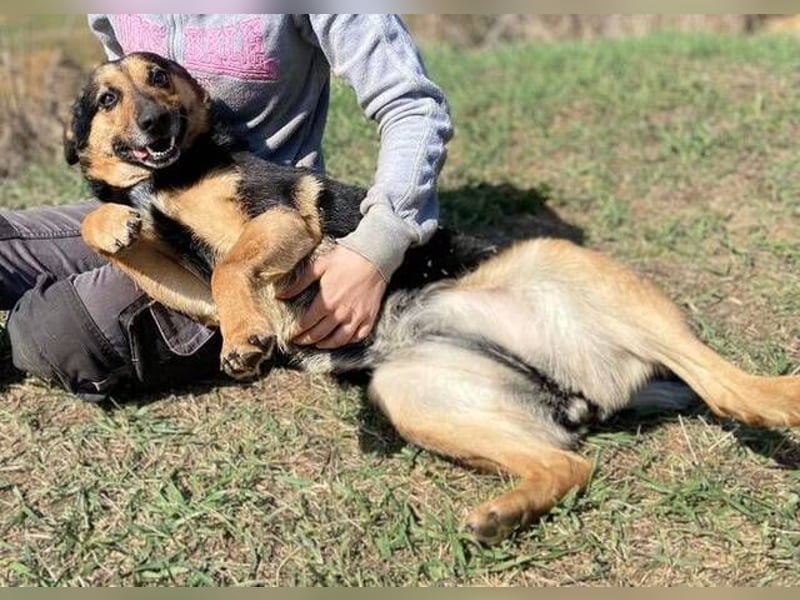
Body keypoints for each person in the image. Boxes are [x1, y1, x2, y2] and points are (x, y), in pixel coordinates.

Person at [0, 14, 452, 400]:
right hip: (144, 201)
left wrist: (376, 246)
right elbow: (122, 78)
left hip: (259, 218)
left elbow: (412, 105)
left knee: (47, 332)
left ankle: (247, 326)